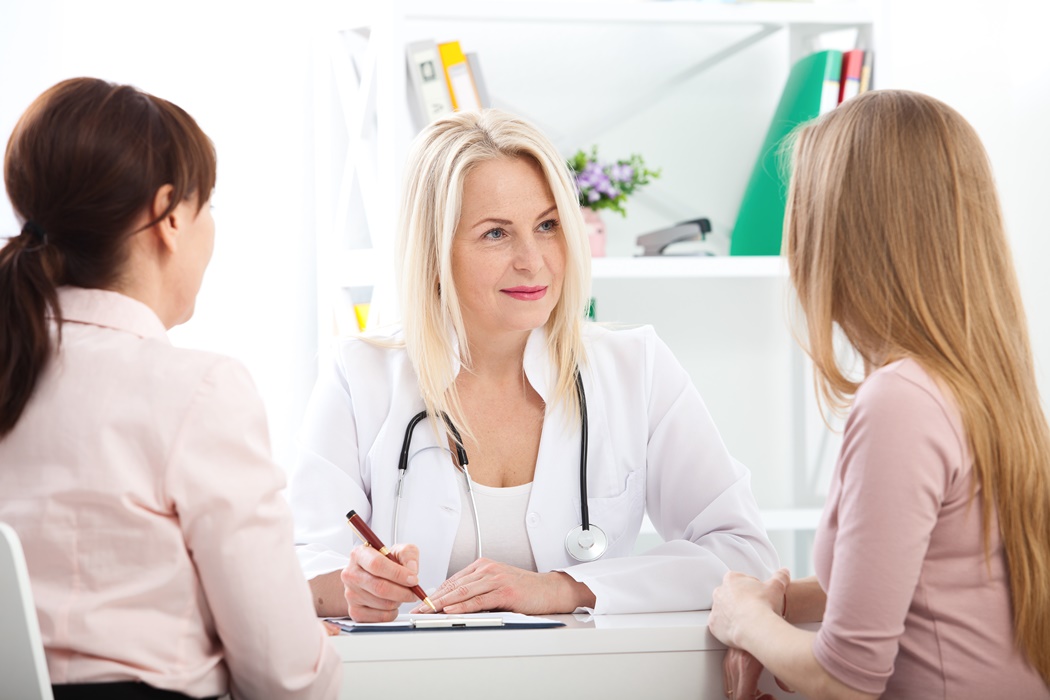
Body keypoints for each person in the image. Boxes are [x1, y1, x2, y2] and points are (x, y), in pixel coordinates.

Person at [288, 108, 779, 622]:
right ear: (434, 252)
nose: (533, 260)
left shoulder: (637, 367)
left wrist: (567, 588)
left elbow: (742, 554)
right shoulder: (359, 375)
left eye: (547, 225)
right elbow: (296, 565)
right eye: (495, 234)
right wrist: (353, 588)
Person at [0, 78, 341, 699]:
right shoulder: (196, 391)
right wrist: (313, 650)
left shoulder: (12, 363)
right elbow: (284, 678)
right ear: (170, 216)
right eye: (207, 205)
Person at [708, 90, 1050, 699]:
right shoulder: (978, 385)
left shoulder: (901, 401)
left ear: (841, 235)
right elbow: (929, 583)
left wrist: (747, 618)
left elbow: (846, 680)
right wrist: (789, 598)